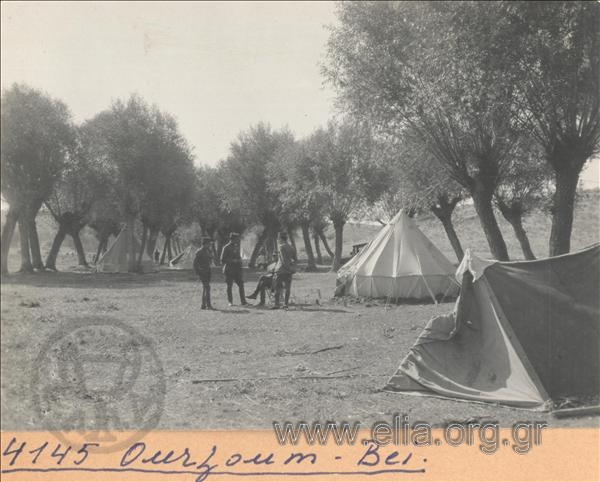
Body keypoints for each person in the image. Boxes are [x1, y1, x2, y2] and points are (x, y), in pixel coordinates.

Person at [220, 232, 247, 306]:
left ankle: (243, 301)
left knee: (241, 284)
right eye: (237, 239)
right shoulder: (226, 247)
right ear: (233, 239)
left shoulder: (237, 246)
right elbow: (222, 260)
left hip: (237, 270)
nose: (238, 240)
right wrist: (232, 261)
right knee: (229, 286)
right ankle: (230, 301)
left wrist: (240, 262)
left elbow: (238, 257)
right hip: (229, 270)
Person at [272, 231, 297, 310]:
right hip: (289, 271)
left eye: (278, 238)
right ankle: (285, 304)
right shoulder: (291, 247)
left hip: (281, 270)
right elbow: (294, 259)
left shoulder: (281, 246)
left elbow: (282, 259)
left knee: (277, 287)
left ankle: (277, 304)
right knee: (287, 288)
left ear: (280, 238)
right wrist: (291, 267)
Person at [193, 237, 214, 310]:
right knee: (207, 287)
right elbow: (195, 264)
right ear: (205, 244)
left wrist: (211, 257)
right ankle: (207, 305)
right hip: (202, 272)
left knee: (206, 288)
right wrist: (198, 272)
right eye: (209, 244)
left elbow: (210, 259)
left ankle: (204, 305)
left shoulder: (208, 251)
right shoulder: (199, 252)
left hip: (208, 271)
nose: (210, 245)